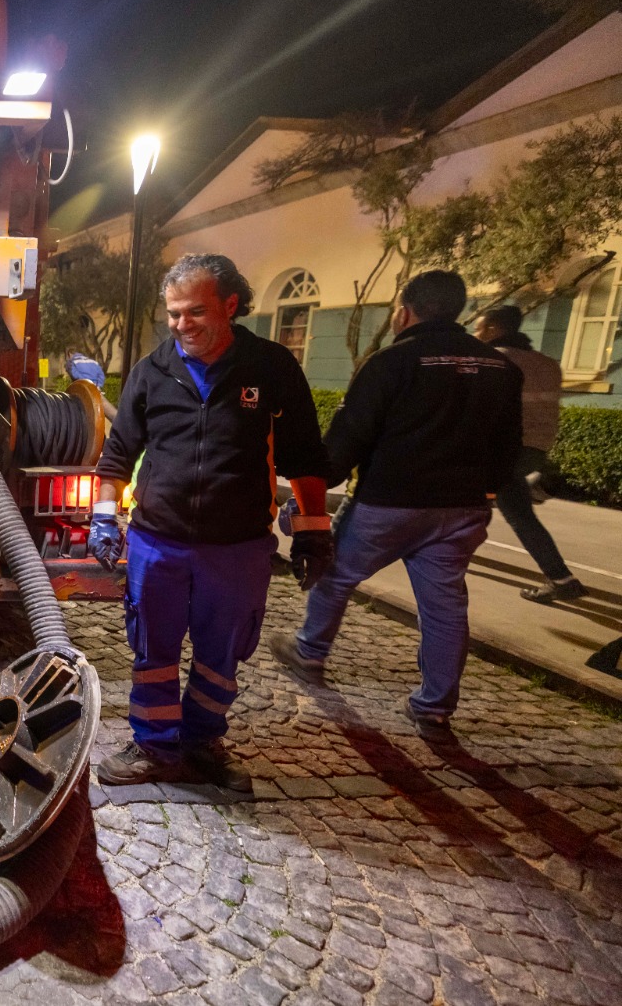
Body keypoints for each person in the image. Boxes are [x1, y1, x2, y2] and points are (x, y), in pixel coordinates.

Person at [90, 254, 332, 790]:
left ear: (230, 305)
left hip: (238, 547)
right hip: (157, 543)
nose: (182, 325)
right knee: (152, 648)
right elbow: (117, 455)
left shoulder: (270, 368)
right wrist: (103, 518)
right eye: (173, 313)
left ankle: (202, 743)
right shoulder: (151, 371)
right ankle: (154, 746)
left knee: (221, 653)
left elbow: (304, 458)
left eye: (195, 311)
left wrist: (314, 532)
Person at [270, 271, 522, 739]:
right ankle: (435, 707)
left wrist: (314, 489)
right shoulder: (500, 367)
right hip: (462, 507)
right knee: (445, 607)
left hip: (388, 503)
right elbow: (510, 445)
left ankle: (310, 651)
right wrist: (488, 490)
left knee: (334, 573)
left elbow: (349, 437)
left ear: (404, 312)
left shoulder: (392, 362)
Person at [473, 304, 585, 604]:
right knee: (516, 511)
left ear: (493, 329)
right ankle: (562, 580)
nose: (476, 334)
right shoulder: (547, 363)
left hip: (503, 450)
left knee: (461, 501)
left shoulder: (492, 359)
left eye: (479, 328)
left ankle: (440, 556)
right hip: (536, 450)